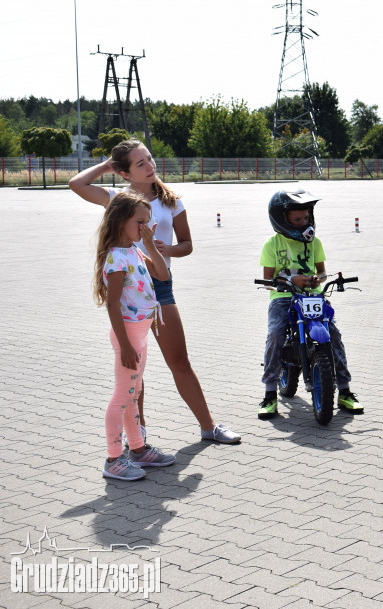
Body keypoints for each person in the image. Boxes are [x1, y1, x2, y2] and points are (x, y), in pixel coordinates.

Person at [69, 140, 240, 445]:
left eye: (149, 159)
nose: (150, 166)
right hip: (128, 289)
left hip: (159, 286)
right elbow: (76, 184)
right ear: (125, 172)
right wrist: (107, 165)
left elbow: (187, 245)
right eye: (140, 163)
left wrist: (166, 249)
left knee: (179, 360)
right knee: (134, 368)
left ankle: (209, 426)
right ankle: (139, 432)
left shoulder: (171, 201)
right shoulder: (118, 199)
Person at [257, 188, 363, 418]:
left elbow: (322, 272)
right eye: (297, 219)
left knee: (334, 335)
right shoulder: (272, 244)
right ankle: (269, 393)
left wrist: (318, 279)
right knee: (275, 335)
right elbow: (267, 281)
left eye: (306, 218)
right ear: (281, 220)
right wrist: (290, 280)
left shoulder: (314, 242)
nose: (303, 223)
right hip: (283, 297)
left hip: (312, 297)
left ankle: (344, 390)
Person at [95, 191, 177, 480]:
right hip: (128, 335)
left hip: (140, 332)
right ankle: (113, 459)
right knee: (122, 396)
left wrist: (149, 244)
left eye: (147, 222)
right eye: (139, 222)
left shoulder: (134, 250)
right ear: (121, 221)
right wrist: (126, 346)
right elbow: (113, 306)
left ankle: (139, 450)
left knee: (133, 393)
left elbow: (163, 275)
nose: (145, 227)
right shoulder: (116, 258)